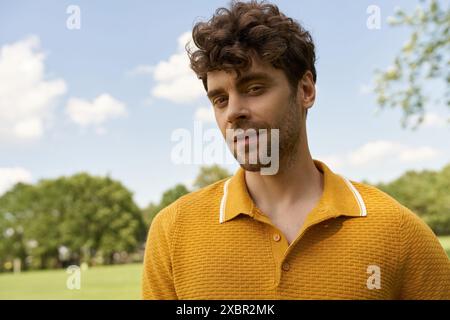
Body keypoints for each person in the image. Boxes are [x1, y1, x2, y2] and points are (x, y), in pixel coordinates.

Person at [142, 0, 450, 299]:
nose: (233, 112)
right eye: (220, 99)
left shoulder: (397, 231)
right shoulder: (172, 232)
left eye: (254, 88)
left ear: (305, 90)